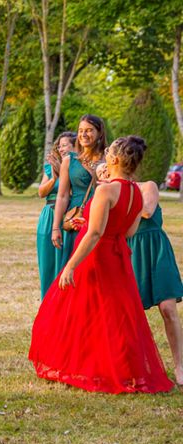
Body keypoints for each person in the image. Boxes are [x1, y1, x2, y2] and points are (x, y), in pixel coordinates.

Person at [29, 136, 174, 394]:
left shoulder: (106, 190)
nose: (105, 154)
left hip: (97, 256)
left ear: (116, 160)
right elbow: (129, 232)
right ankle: (122, 367)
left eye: (109, 152)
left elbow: (94, 233)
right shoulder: (135, 192)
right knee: (117, 315)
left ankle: (85, 366)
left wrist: (71, 265)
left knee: (75, 310)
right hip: (119, 258)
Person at [128, 180, 183, 386]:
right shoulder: (111, 190)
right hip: (130, 251)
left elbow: (148, 211)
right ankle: (136, 366)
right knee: (132, 313)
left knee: (168, 309)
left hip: (155, 249)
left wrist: (121, 197)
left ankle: (180, 366)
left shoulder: (146, 186)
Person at [51, 115, 106, 268]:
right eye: (81, 130)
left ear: (99, 133)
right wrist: (56, 227)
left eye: (89, 130)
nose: (83, 134)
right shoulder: (69, 160)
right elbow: (62, 196)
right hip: (76, 219)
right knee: (73, 268)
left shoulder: (108, 159)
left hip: (101, 217)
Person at [37, 132, 76, 298]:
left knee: (63, 261)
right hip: (48, 215)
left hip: (68, 217)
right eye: (59, 145)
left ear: (75, 147)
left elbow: (75, 192)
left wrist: (63, 172)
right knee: (47, 262)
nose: (60, 148)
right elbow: (41, 192)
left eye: (65, 145)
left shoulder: (78, 167)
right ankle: (46, 300)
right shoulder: (50, 167)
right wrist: (54, 178)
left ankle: (62, 300)